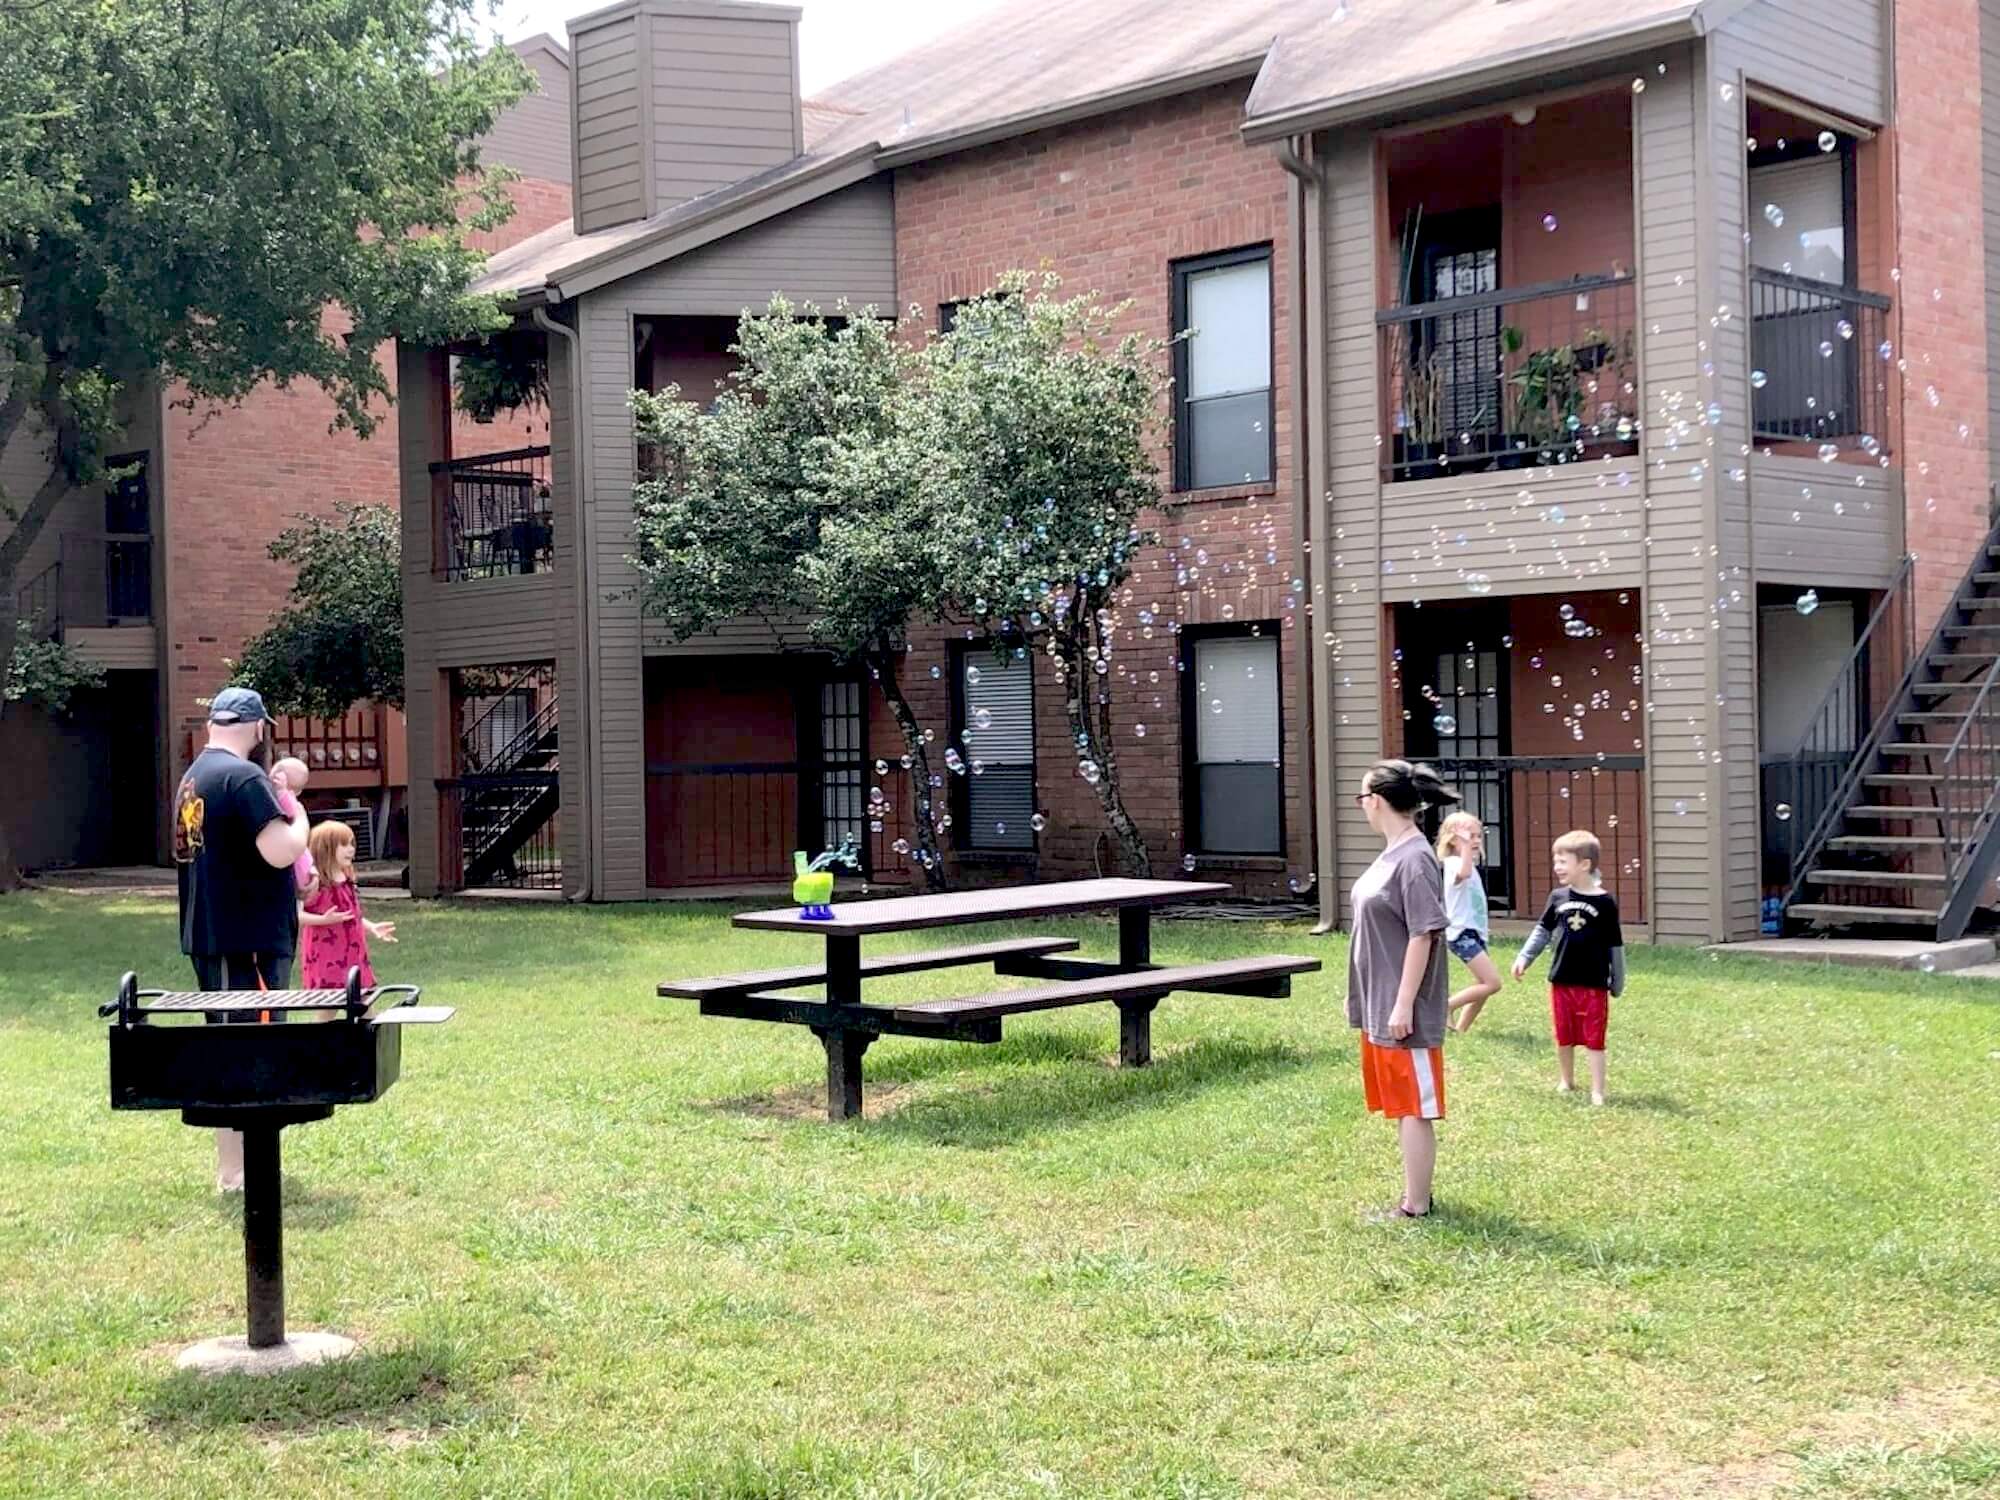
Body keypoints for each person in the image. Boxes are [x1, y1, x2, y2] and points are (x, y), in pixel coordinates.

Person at [173, 686, 309, 1192]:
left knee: (226, 1046)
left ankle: (233, 1169)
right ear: (256, 727)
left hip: (208, 936)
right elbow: (279, 852)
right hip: (247, 938)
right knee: (256, 1049)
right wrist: (300, 818)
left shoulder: (194, 777)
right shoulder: (244, 776)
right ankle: (245, 1172)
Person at [1346, 758, 1458, 1220]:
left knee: (1415, 1106)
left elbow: (1423, 933)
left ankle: (1416, 1204)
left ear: (1377, 801)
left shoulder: (1414, 860)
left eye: (1362, 797)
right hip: (1382, 1000)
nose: (1361, 806)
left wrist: (1404, 1003)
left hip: (1402, 1006)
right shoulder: (1394, 852)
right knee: (1401, 1103)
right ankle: (1414, 1196)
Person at [1511, 829, 1626, 1106]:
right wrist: (1525, 957)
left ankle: (1598, 1089)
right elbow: (1542, 930)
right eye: (1556, 861)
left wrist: (1618, 979)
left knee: (1594, 1036)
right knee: (1564, 1033)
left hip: (1594, 982)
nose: (1556, 867)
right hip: (1562, 978)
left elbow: (1615, 944)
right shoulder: (1558, 897)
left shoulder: (1606, 902)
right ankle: (1567, 1079)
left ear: (1585, 864)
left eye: (1563, 861)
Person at [299, 820, 396, 988]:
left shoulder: (347, 879)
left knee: (364, 1004)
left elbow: (349, 915)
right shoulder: (316, 882)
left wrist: (371, 927)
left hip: (354, 954)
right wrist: (323, 920)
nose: (351, 849)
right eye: (344, 844)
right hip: (326, 957)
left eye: (352, 843)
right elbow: (295, 915)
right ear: (326, 849)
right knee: (328, 1008)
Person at [1437, 812, 1503, 1032]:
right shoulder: (1454, 863)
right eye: (1469, 836)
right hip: (1461, 933)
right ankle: (1446, 1007)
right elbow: (1462, 874)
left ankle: (1462, 1029)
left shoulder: (1466, 864)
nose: (1475, 841)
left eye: (1477, 836)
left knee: (1482, 984)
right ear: (1452, 839)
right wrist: (1465, 848)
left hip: (1474, 932)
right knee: (1492, 983)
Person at [270, 756, 317, 892]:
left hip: (298, 863)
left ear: (297, 792)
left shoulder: (293, 804)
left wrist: (282, 792)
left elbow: (290, 812)